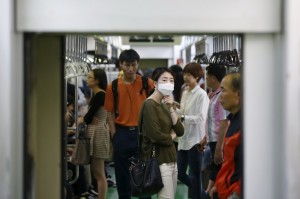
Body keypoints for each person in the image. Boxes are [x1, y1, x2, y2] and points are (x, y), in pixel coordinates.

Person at [104, 49, 154, 199]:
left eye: (133, 65)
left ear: (138, 64)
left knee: (143, 175)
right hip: (122, 133)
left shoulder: (147, 83)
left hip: (143, 134)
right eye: (127, 65)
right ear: (121, 65)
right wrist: (114, 134)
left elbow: (157, 107)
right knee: (122, 174)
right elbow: (109, 112)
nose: (131, 69)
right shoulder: (113, 86)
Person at [139, 67, 184, 199]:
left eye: (171, 80)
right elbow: (155, 135)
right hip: (159, 161)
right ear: (155, 83)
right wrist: (171, 136)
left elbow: (180, 131)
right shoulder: (149, 105)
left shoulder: (165, 104)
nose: (168, 83)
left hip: (172, 159)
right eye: (164, 80)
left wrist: (171, 109)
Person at [176, 62, 210, 199]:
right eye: (184, 74)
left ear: (197, 77)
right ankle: (203, 195)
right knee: (180, 173)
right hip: (184, 138)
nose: (185, 77)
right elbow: (183, 112)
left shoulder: (202, 95)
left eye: (189, 75)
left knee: (195, 176)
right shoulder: (185, 92)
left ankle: (201, 195)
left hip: (196, 140)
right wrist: (173, 109)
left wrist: (183, 117)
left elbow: (201, 118)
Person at [209, 73, 242, 199]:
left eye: (223, 90)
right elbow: (230, 162)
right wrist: (219, 184)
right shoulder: (233, 119)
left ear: (238, 94)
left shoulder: (246, 126)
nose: (220, 96)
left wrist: (236, 194)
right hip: (226, 189)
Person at [79, 68, 110, 199]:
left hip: (99, 133)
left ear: (97, 80)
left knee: (98, 173)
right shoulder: (97, 94)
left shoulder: (100, 95)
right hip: (96, 132)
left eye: (90, 77)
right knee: (97, 172)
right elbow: (90, 117)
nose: (87, 79)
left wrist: (85, 119)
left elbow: (88, 117)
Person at [198, 64, 229, 196]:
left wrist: (218, 148)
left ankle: (210, 193)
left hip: (219, 141)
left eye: (207, 76)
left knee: (218, 172)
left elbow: (223, 123)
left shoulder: (222, 97)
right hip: (213, 140)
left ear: (213, 78)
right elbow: (212, 120)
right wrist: (206, 138)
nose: (205, 79)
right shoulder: (214, 96)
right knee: (214, 170)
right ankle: (208, 192)